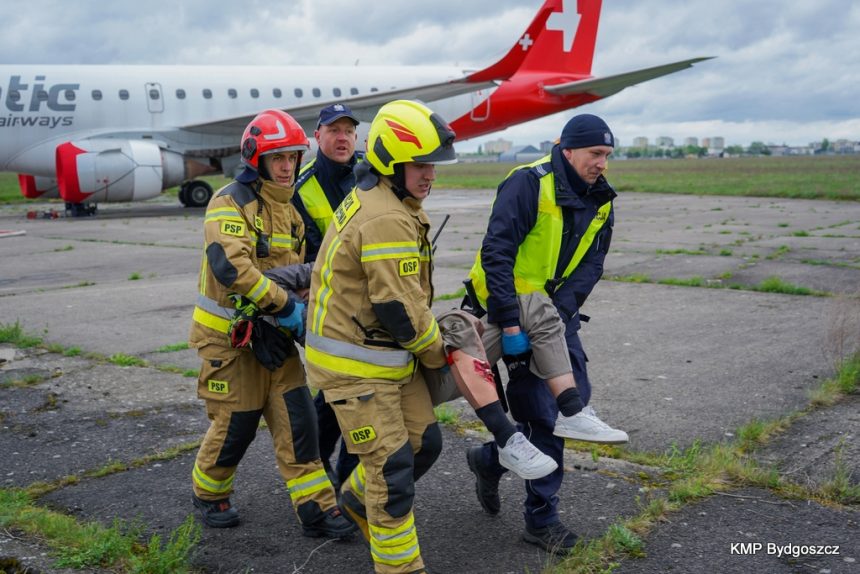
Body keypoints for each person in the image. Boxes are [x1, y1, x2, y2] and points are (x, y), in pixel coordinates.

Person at [304, 100, 554, 574]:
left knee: (425, 444)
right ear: (392, 165)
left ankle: (359, 502)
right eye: (421, 165)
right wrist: (443, 353)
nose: (431, 175)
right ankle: (400, 565)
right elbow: (398, 309)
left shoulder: (392, 202)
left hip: (384, 358)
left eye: (433, 165)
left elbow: (403, 299)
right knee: (393, 470)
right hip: (356, 367)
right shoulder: (386, 218)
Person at [463, 113, 629, 554]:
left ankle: (490, 461)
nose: (603, 164)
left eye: (608, 156)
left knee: (569, 402)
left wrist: (555, 316)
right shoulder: (527, 183)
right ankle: (542, 519)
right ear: (568, 149)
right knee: (544, 413)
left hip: (553, 315)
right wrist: (515, 325)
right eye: (596, 154)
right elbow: (496, 253)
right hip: (501, 311)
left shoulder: (603, 199)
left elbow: (592, 265)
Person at [187, 109, 355, 540]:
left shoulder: (292, 215)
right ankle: (209, 493)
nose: (286, 167)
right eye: (277, 158)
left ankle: (317, 507)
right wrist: (286, 308)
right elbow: (232, 268)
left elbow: (299, 274)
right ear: (256, 160)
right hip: (230, 341)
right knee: (236, 425)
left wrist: (306, 308)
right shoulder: (229, 202)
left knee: (299, 422)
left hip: (273, 337)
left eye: (293, 158)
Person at [292, 103, 362, 488]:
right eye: (333, 130)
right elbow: (306, 257)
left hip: (371, 304)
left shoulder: (372, 175)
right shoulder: (302, 189)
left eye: (348, 131)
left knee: (356, 391)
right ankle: (320, 467)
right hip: (329, 306)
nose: (342, 138)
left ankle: (347, 474)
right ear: (316, 137)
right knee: (340, 389)